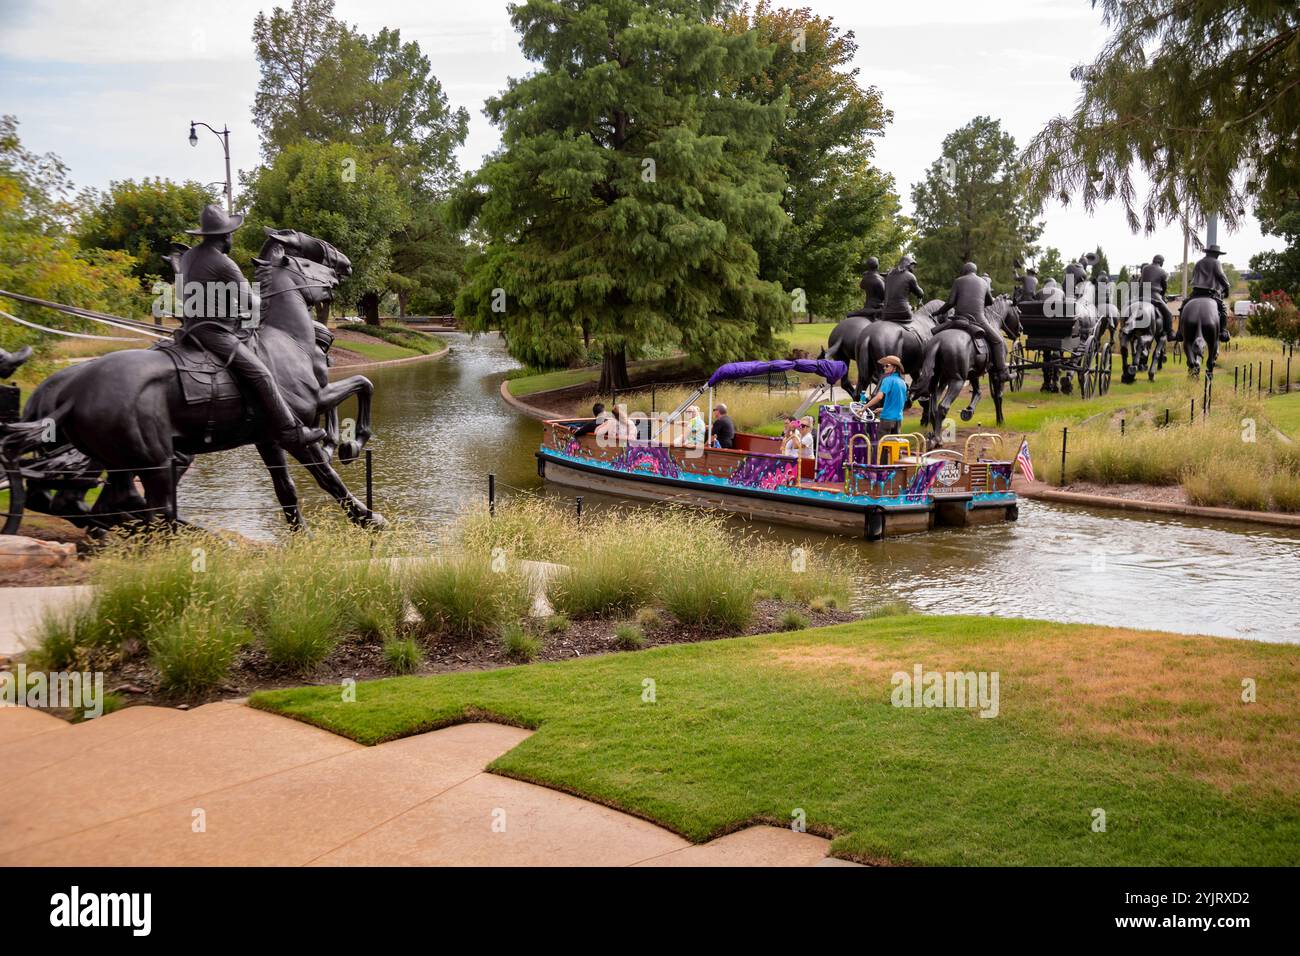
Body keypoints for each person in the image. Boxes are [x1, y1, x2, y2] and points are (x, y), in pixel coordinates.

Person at [176, 204, 325, 446]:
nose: (232, 237)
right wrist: (273, 286)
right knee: (262, 375)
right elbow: (251, 302)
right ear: (225, 236)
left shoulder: (188, 256)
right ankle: (290, 430)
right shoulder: (223, 262)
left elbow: (186, 295)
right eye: (231, 233)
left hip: (189, 331)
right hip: (217, 334)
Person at [933, 262, 1010, 383]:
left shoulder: (958, 281)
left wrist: (937, 312)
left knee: (934, 333)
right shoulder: (983, 282)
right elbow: (990, 302)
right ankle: (1002, 372)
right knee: (998, 341)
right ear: (975, 271)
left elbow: (950, 303)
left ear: (964, 270)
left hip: (958, 319)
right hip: (978, 320)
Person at [1189, 243, 1232, 342]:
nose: (1217, 256)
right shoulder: (1216, 262)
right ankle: (1223, 331)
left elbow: (1194, 277)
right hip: (1210, 294)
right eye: (1217, 254)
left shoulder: (1199, 262)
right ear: (1215, 254)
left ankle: (1179, 331)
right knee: (1223, 310)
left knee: (1183, 307)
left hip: (1196, 293)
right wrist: (1227, 288)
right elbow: (1221, 276)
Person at [863, 355, 907, 447]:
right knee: (895, 446)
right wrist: (883, 408)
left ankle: (882, 462)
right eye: (884, 366)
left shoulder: (887, 380)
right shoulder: (903, 383)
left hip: (887, 419)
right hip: (898, 420)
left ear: (894, 368)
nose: (884, 368)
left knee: (882, 447)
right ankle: (896, 461)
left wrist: (864, 407)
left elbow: (879, 397)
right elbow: (900, 403)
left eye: (887, 366)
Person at [1138, 255, 1175, 341]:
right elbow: (1164, 286)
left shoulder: (1145, 268)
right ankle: (1170, 333)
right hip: (1155, 295)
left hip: (1141, 296)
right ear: (1161, 262)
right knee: (1169, 313)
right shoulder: (1162, 272)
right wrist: (1162, 295)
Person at [881, 254, 926, 321]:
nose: (914, 267)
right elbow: (920, 293)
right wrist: (921, 292)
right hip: (903, 312)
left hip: (886, 312)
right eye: (912, 265)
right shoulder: (910, 276)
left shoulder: (889, 275)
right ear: (908, 264)